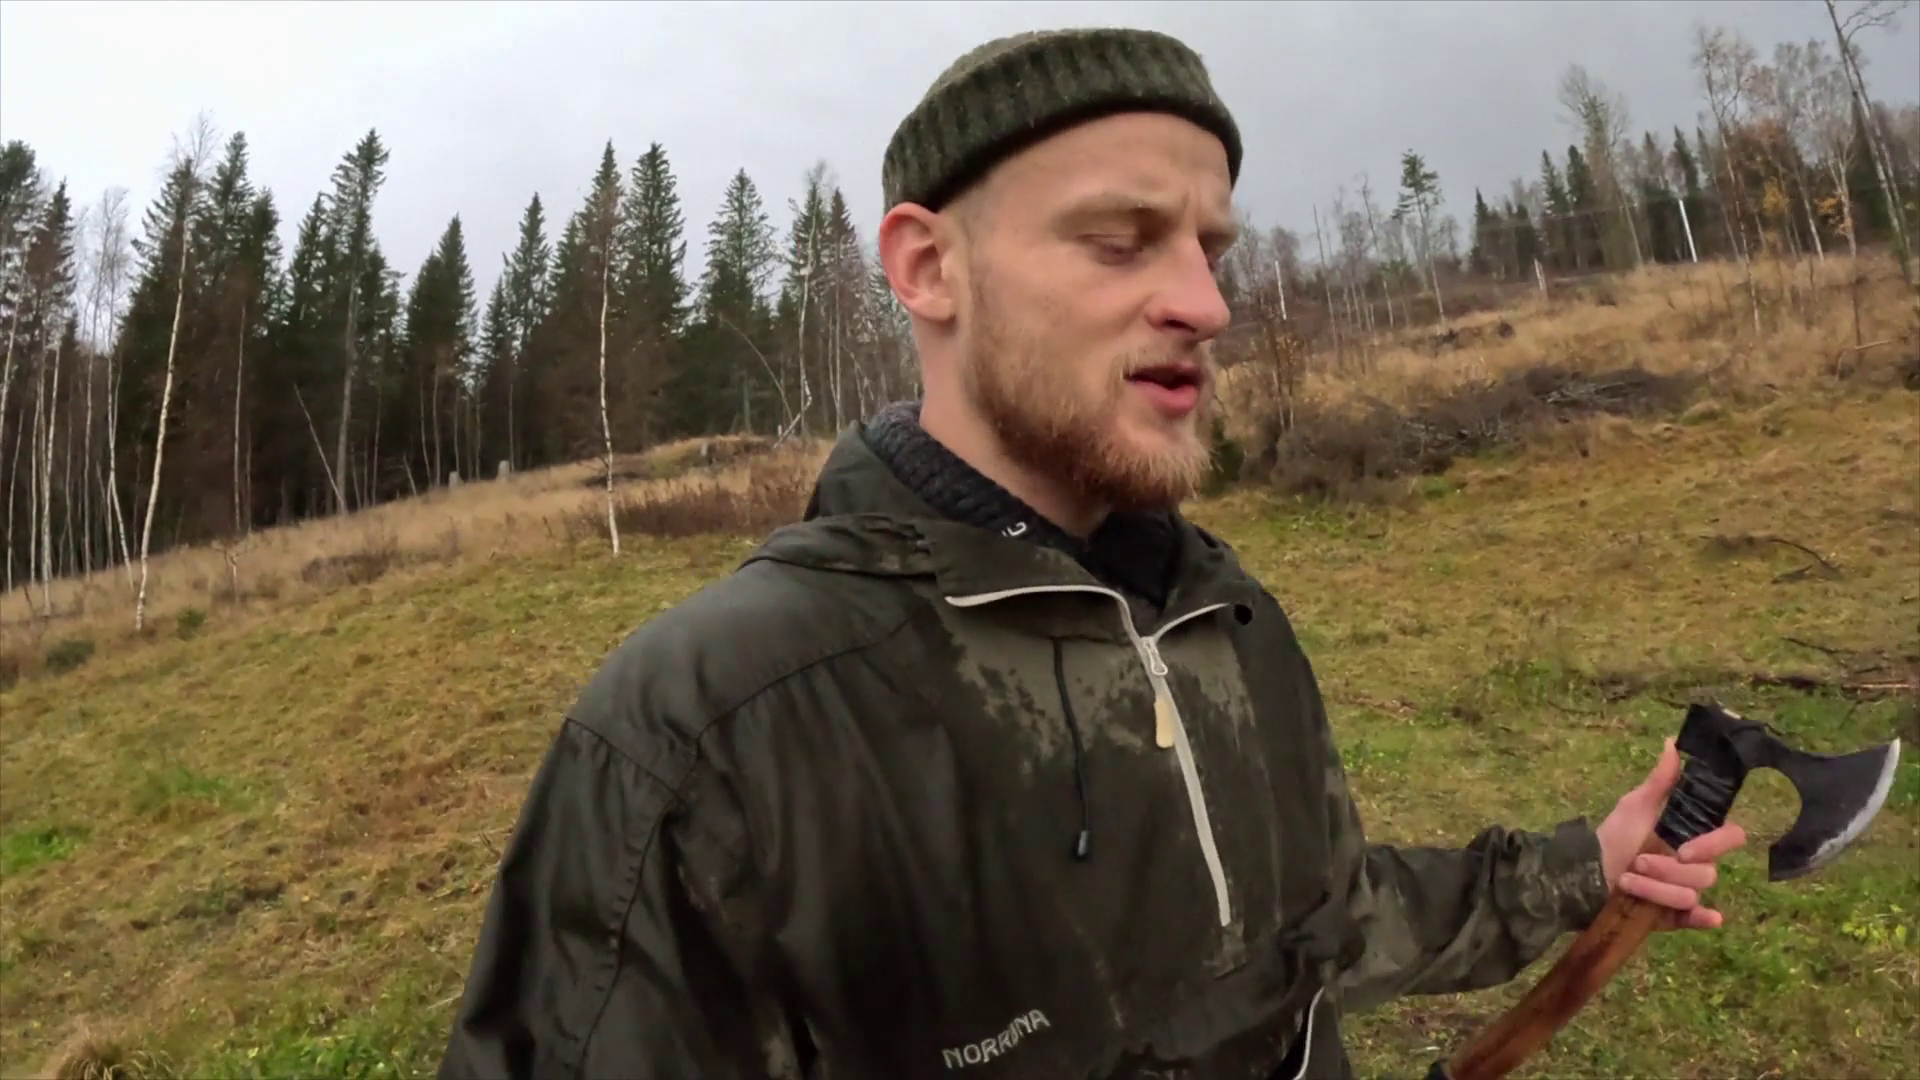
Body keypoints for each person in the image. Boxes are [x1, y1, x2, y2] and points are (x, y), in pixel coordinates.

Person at [437, 26, 1746, 1079]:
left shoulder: (1223, 616)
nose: (1207, 304)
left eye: (1211, 250)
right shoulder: (717, 725)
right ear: (928, 268)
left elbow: (1327, 926)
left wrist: (1587, 864)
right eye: (1122, 242)